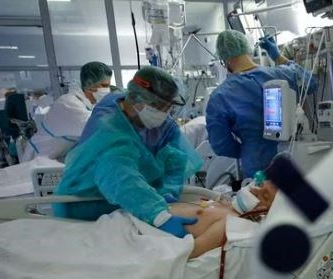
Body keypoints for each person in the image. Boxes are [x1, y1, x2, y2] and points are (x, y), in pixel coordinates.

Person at [53, 66, 202, 238]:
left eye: (167, 108)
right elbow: (120, 176)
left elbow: (175, 160)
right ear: (136, 100)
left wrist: (167, 192)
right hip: (85, 208)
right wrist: (158, 215)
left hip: (133, 205)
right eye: (158, 107)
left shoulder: (162, 125)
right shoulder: (109, 129)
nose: (163, 114)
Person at [206, 30, 317, 180]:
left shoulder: (220, 97)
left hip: (257, 167)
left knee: (264, 202)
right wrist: (278, 56)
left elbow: (221, 145)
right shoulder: (282, 74)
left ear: (224, 60)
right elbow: (311, 82)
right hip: (296, 158)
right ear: (248, 50)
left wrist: (248, 149)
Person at [23, 62, 113, 162]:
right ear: (90, 85)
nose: (107, 90)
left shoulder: (87, 104)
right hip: (39, 159)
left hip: (55, 158)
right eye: (104, 85)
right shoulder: (67, 104)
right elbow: (97, 126)